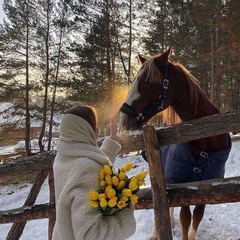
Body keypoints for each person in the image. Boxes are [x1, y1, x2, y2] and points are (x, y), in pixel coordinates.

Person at [52, 104, 136, 240]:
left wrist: (111, 140)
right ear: (85, 129)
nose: (97, 130)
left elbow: (88, 164)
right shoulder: (87, 168)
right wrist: (124, 218)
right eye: (94, 126)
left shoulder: (63, 158)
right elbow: (90, 235)